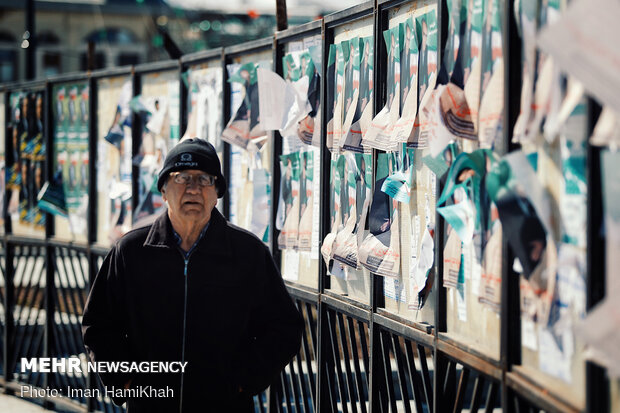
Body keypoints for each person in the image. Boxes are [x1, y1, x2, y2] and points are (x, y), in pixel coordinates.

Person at [82, 138, 303, 413]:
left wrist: (243, 381)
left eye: (204, 180)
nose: (193, 189)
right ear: (163, 189)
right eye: (182, 178)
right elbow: (99, 325)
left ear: (217, 192)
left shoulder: (249, 253)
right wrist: (126, 381)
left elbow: (284, 327)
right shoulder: (131, 252)